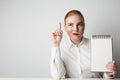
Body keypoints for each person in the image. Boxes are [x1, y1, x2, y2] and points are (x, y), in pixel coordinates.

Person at [50, 10, 117, 78]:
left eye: (79, 24)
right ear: (65, 27)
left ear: (84, 26)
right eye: (70, 24)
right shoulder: (60, 49)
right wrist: (56, 45)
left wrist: (109, 73)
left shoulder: (96, 45)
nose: (75, 29)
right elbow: (58, 76)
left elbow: (105, 75)